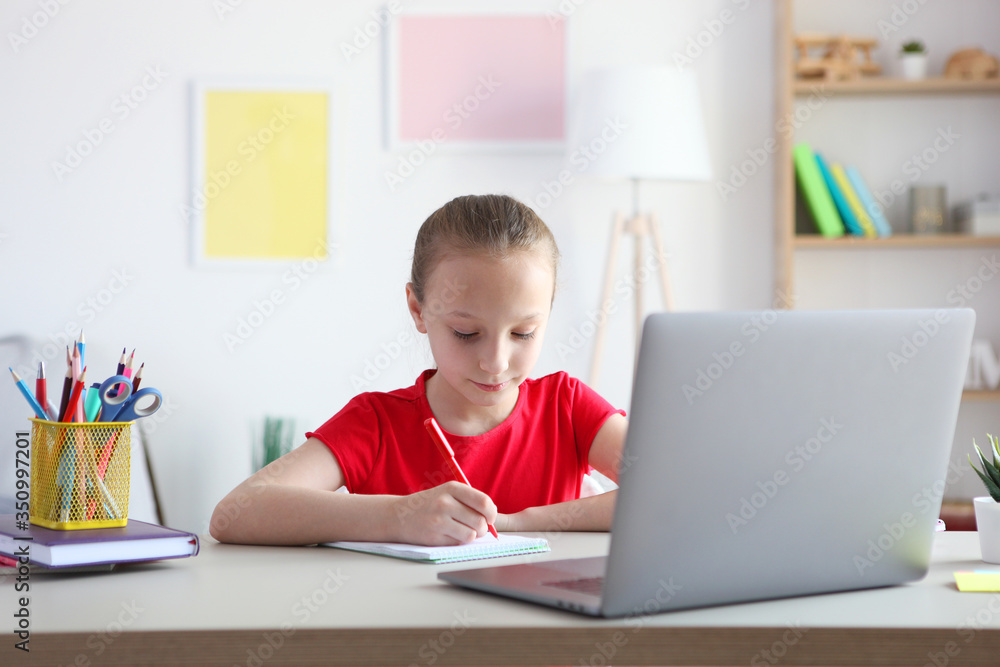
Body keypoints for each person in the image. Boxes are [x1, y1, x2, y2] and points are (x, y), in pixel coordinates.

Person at [210, 194, 628, 547]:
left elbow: (676, 491)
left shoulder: (568, 408)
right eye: (466, 333)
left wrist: (520, 522)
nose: (496, 362)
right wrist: (398, 516)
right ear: (418, 309)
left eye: (523, 333)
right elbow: (234, 514)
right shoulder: (376, 424)